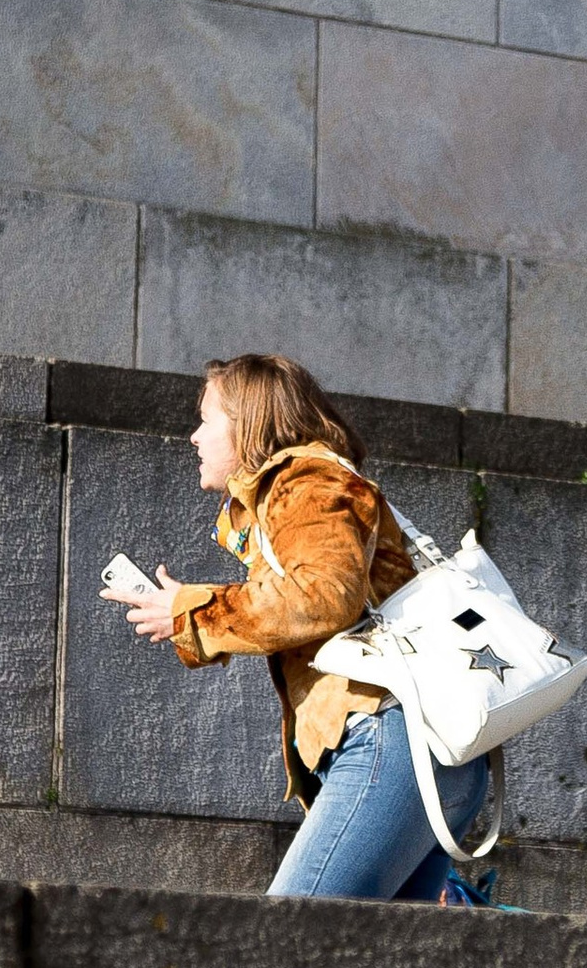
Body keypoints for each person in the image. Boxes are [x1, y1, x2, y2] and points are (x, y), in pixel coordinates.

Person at [102, 352, 491, 902]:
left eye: (206, 419)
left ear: (247, 422)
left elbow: (323, 595)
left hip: (392, 738)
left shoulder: (305, 479)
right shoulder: (298, 490)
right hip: (426, 748)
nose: (193, 436)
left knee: (288, 935)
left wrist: (195, 612)